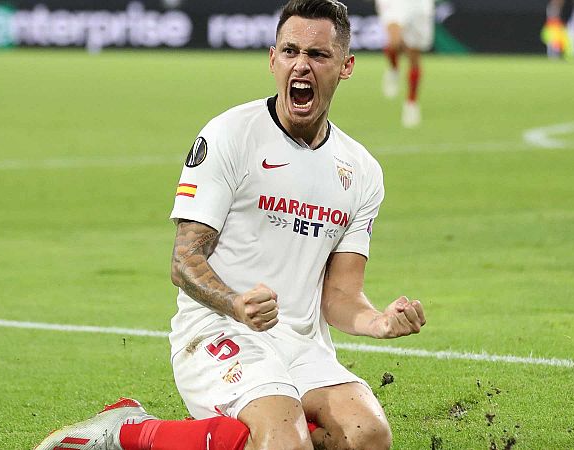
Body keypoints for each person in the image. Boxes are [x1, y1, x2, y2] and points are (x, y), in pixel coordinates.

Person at [34, 1, 426, 449]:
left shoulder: (361, 170)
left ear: (346, 66)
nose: (301, 65)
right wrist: (236, 304)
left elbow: (340, 295)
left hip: (300, 346)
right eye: (290, 51)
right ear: (272, 59)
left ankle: (242, 432)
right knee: (284, 441)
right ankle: (127, 431)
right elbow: (184, 260)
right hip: (217, 330)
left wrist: (378, 322)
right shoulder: (230, 135)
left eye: (318, 55)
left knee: (368, 436)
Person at [375, 0, 435, 128]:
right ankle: (394, 68)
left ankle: (411, 102)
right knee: (394, 42)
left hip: (419, 5)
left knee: (414, 56)